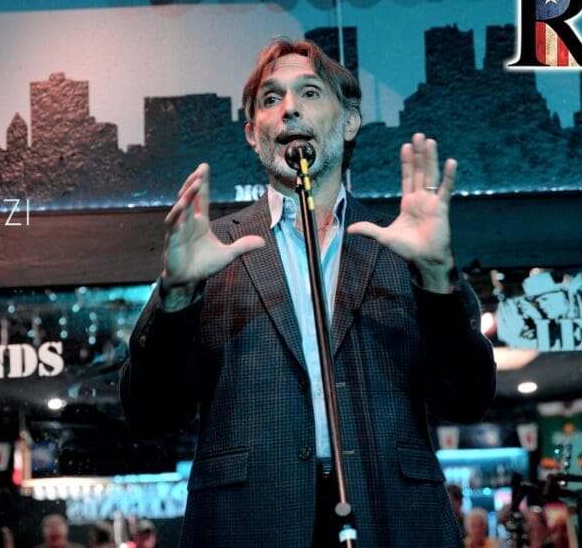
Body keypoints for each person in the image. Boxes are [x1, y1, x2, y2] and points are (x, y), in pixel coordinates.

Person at [120, 37, 496, 547]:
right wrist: (178, 295)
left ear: (350, 122)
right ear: (253, 134)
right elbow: (150, 415)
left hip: (393, 517)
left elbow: (467, 401)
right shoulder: (211, 249)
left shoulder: (400, 243)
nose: (290, 108)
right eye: (271, 99)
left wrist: (436, 278)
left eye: (310, 93)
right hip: (247, 523)